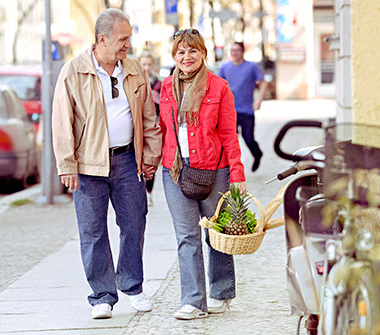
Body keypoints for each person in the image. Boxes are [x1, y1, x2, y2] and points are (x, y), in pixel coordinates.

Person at [52, 8, 162, 320]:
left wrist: (151, 156)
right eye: (123, 39)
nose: (128, 44)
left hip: (128, 160)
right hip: (88, 166)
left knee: (134, 222)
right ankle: (101, 295)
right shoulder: (74, 72)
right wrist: (67, 164)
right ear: (103, 39)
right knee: (92, 231)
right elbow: (62, 122)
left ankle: (132, 286)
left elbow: (148, 117)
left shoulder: (134, 69)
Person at [159, 28, 246, 320]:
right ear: (174, 56)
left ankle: (221, 291)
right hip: (175, 169)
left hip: (214, 168)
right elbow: (162, 129)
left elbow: (229, 135)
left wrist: (237, 174)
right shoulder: (165, 88)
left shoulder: (219, 87)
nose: (186, 57)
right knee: (187, 236)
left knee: (216, 233)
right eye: (181, 52)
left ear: (203, 54)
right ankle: (194, 302)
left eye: (192, 51)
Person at [218, 42, 268, 172]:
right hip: (229, 112)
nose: (234, 53)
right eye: (232, 50)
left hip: (246, 111)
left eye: (237, 50)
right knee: (229, 142)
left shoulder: (252, 67)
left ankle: (257, 154)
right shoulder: (224, 68)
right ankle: (230, 169)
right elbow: (218, 88)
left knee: (249, 139)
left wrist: (258, 101)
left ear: (242, 52)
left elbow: (263, 83)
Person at [138, 51, 162, 206]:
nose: (146, 68)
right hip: (137, 126)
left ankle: (148, 191)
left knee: (151, 158)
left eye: (148, 64)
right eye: (143, 64)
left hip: (154, 125)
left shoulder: (158, 83)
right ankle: (140, 190)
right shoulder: (134, 80)